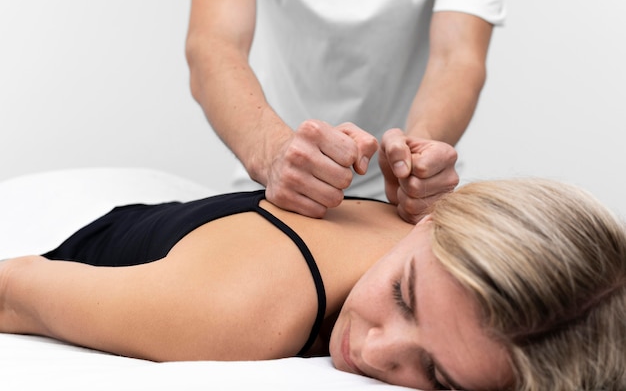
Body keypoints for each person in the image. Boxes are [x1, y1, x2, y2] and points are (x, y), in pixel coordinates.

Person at [0, 176, 624, 390]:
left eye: (437, 376)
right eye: (405, 296)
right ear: (429, 220)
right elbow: (15, 286)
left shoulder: (450, 256)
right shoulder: (235, 314)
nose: (375, 352)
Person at [183, 0, 507, 223]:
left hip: (408, 201)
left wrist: (418, 155)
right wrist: (273, 155)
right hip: (274, 184)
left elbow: (457, 57)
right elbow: (215, 44)